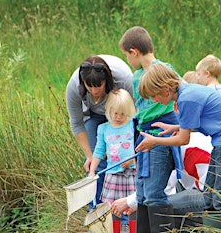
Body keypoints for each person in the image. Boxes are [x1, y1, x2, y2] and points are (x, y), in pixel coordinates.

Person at [136, 63, 221, 231]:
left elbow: (183, 140)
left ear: (166, 88)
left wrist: (154, 141)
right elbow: (202, 120)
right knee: (209, 198)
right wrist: (175, 127)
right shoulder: (188, 92)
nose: (154, 100)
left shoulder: (186, 98)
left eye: (154, 96)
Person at [111, 131, 221, 232]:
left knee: (157, 210)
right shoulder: (185, 139)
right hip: (219, 198)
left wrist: (130, 202)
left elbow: (159, 191)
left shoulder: (181, 147)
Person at [119, 26, 182, 232]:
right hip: (143, 136)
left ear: (134, 52)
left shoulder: (163, 68)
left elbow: (182, 91)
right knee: (143, 192)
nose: (128, 60)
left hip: (160, 135)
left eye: (126, 56)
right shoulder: (136, 76)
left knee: (155, 192)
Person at [65, 55, 133, 211]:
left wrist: (126, 147)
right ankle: (97, 211)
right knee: (98, 162)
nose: (94, 91)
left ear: (107, 80)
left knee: (121, 159)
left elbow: (135, 115)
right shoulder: (74, 87)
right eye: (89, 87)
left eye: (98, 86)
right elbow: (76, 123)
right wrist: (89, 156)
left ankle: (124, 211)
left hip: (123, 115)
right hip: (94, 117)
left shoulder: (124, 79)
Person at [89, 89, 137, 233]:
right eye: (115, 113)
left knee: (133, 207)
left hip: (131, 173)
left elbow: (139, 147)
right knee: (113, 209)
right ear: (108, 110)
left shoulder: (132, 125)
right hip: (113, 174)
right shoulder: (103, 128)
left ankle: (133, 230)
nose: (118, 117)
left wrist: (132, 159)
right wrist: (92, 171)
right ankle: (115, 231)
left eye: (122, 113)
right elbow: (98, 151)